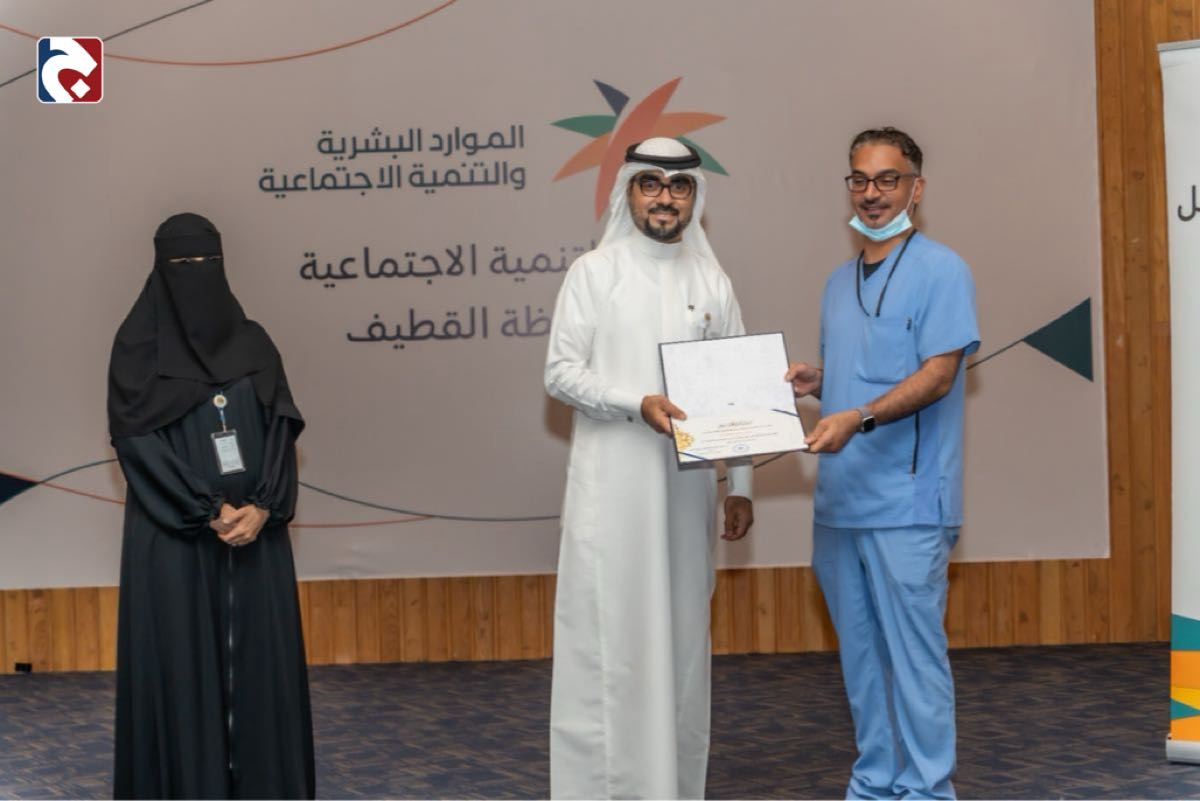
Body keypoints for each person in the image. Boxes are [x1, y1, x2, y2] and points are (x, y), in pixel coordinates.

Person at [544, 137, 755, 799]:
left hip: (687, 494)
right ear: (629, 191)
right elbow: (560, 373)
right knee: (612, 642)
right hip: (611, 491)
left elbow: (737, 391)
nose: (666, 197)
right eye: (651, 183)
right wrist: (634, 402)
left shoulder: (712, 282)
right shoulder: (594, 273)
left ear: (695, 196)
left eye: (679, 186)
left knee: (682, 641)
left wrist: (740, 484)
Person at [786, 127, 979, 799]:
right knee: (862, 664)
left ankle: (927, 790)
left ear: (916, 189)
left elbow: (937, 374)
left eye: (888, 179)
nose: (872, 193)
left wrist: (858, 416)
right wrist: (821, 381)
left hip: (908, 504)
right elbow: (865, 369)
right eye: (860, 179)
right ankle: (873, 784)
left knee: (915, 661)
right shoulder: (837, 283)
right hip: (840, 505)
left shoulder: (942, 270)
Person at [107, 213, 314, 799]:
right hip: (173, 538)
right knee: (181, 667)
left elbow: (282, 424)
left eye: (208, 263)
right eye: (183, 265)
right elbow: (136, 441)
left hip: (257, 538)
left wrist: (265, 506)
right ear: (160, 269)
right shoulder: (137, 352)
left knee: (261, 667)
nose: (196, 276)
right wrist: (206, 509)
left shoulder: (255, 343)